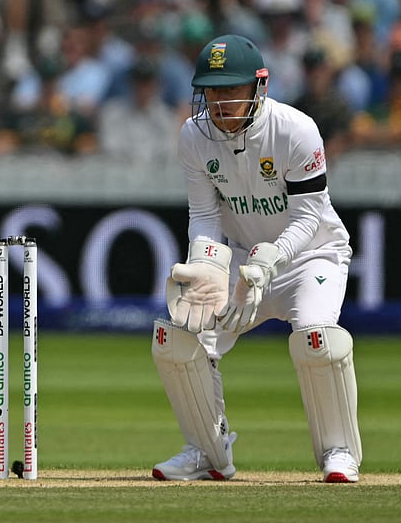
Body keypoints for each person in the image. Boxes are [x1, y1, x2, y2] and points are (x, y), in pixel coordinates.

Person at [152, 34, 361, 484]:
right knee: (180, 337)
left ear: (258, 87)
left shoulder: (296, 129)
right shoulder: (194, 136)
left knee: (317, 340)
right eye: (211, 90)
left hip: (310, 257)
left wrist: (274, 258)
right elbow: (205, 215)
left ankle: (338, 451)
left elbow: (309, 216)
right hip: (243, 262)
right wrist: (207, 264)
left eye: (230, 89)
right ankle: (208, 451)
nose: (219, 101)